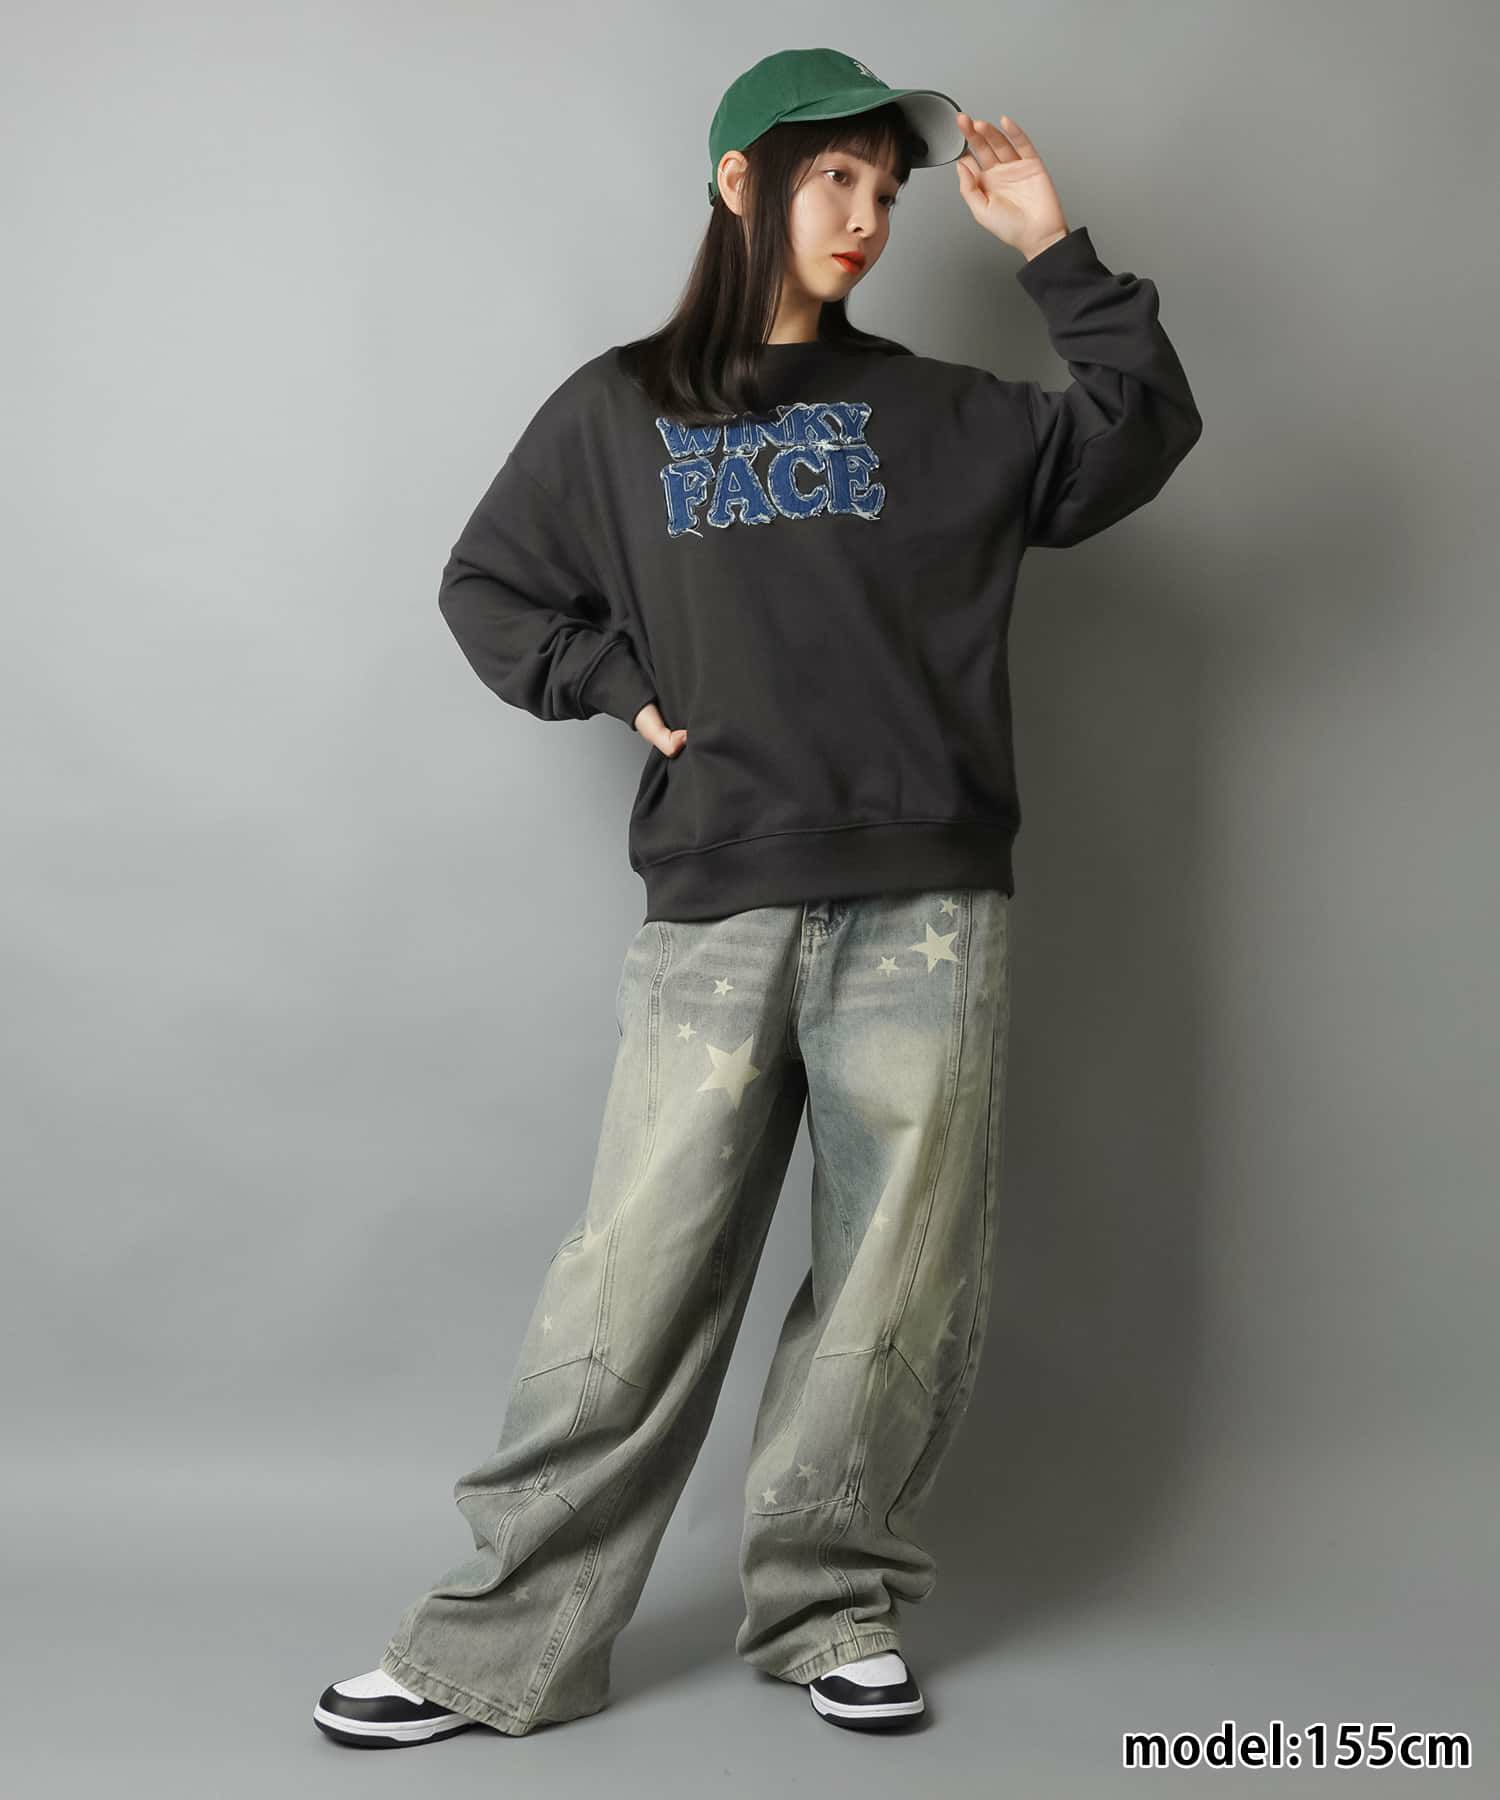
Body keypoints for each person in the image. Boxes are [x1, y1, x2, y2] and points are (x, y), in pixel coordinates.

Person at [313, 45, 1203, 1749]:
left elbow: (1138, 432)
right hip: (719, 901)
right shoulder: (617, 411)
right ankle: (501, 1641)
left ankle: (829, 1604)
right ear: (742, 183)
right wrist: (608, 681)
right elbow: (490, 584)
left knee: (896, 1286)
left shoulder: (944, 416)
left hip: (928, 906)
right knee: (633, 1284)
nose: (866, 214)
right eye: (833, 178)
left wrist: (1052, 248)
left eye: (888, 187)